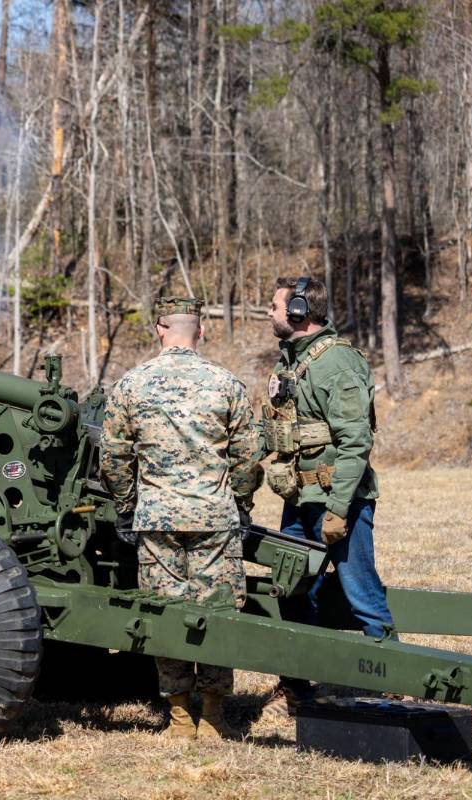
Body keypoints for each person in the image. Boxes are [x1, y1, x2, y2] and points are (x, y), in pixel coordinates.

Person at [100, 297, 262, 740]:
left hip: (157, 520)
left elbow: (113, 457)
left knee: (166, 612)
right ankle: (212, 715)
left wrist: (128, 506)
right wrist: (241, 503)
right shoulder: (225, 383)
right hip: (215, 517)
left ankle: (178, 717)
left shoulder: (132, 385)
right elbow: (249, 455)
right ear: (201, 332)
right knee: (217, 611)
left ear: (159, 328)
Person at [260, 276, 395, 716]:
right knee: (294, 592)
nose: (269, 312)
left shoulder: (337, 364)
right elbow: (281, 432)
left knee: (360, 590)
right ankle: (298, 686)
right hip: (300, 500)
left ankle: (392, 681)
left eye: (275, 305)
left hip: (340, 501)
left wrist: (338, 509)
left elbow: (356, 442)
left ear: (300, 312)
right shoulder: (289, 363)